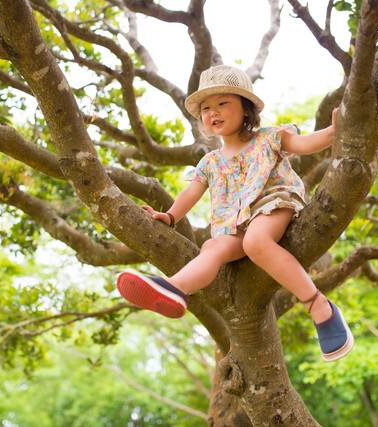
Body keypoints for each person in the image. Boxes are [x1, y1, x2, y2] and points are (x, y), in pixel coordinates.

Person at [117, 65, 353, 362]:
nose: (212, 112)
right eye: (205, 108)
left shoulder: (269, 138)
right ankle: (175, 288)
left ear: (246, 109)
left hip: (272, 203)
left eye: (222, 103)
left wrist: (335, 131)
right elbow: (191, 192)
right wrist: (171, 216)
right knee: (213, 246)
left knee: (256, 242)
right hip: (235, 221)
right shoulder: (210, 161)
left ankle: (319, 306)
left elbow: (305, 145)